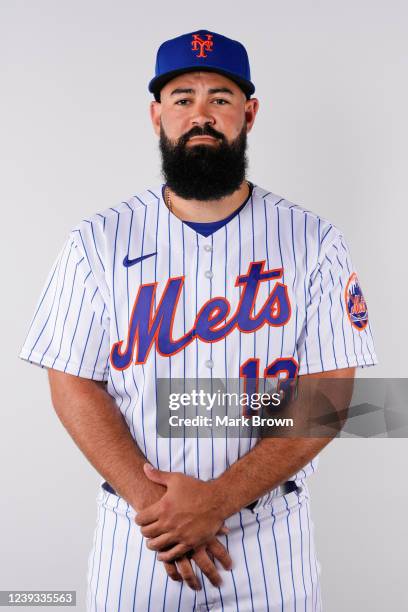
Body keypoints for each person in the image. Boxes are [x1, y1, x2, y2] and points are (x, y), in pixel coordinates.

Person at [20, 29, 378, 611]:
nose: (201, 114)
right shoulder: (98, 240)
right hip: (142, 536)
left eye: (221, 97)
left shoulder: (314, 241)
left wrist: (217, 500)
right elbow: (71, 380)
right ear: (157, 114)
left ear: (249, 113)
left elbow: (331, 395)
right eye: (183, 98)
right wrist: (159, 508)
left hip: (270, 537)